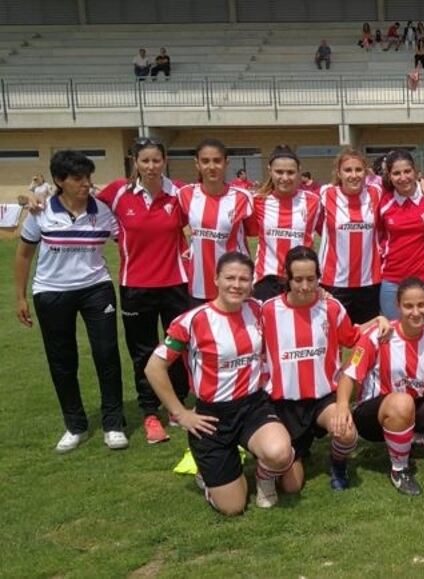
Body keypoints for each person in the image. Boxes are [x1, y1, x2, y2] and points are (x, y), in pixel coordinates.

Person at [145, 252, 294, 516]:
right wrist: (181, 414)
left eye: (244, 279)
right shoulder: (192, 321)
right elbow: (154, 367)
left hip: (253, 406)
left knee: (281, 453)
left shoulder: (259, 310)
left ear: (252, 283)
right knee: (233, 507)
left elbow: (295, 302)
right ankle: (210, 474)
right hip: (212, 416)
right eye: (230, 278)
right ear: (216, 279)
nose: (236, 285)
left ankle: (263, 476)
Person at [14, 150, 127, 453]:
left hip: (96, 288)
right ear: (59, 181)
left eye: (88, 177)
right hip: (51, 292)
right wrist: (21, 297)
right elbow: (24, 254)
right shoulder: (42, 213)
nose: (86, 184)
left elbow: (130, 241)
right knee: (62, 360)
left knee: (106, 353)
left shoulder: (103, 211)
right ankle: (75, 425)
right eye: (78, 178)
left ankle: (114, 424)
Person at [262, 247, 382, 496]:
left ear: (319, 277)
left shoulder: (331, 308)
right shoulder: (267, 311)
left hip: (322, 399)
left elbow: (352, 337)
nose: (305, 286)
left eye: (311, 279)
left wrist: (380, 320)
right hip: (284, 403)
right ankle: (292, 453)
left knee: (347, 433)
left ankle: (338, 466)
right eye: (298, 279)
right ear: (287, 277)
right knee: (291, 487)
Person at [95, 138, 190, 444]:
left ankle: (176, 407)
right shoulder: (117, 192)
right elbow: (81, 199)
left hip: (176, 283)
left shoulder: (179, 193)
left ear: (165, 161)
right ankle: (150, 412)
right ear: (134, 160)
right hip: (135, 286)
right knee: (143, 352)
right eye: (145, 161)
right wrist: (35, 202)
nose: (151, 167)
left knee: (178, 349)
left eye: (156, 161)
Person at [336, 278, 424, 496]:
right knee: (402, 401)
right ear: (398, 306)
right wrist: (342, 406)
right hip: (372, 414)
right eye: (409, 306)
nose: (416, 312)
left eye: (421, 305)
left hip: (412, 405)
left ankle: (421, 439)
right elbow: (349, 374)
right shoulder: (379, 336)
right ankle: (400, 469)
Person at [179, 139, 252, 305]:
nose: (211, 166)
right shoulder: (185, 194)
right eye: (205, 161)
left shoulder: (243, 198)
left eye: (217, 160)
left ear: (226, 162)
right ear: (197, 164)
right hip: (199, 284)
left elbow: (253, 230)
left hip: (235, 283)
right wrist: (188, 248)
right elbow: (173, 227)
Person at [245, 146, 321, 301]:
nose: (285, 177)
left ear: (299, 171)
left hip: (300, 280)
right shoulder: (258, 201)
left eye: (291, 172)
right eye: (279, 172)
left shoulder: (313, 201)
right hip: (266, 280)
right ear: (270, 171)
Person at [319, 149, 383, 324]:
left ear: (366, 171)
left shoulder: (376, 193)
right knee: (332, 339)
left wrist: (423, 186)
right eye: (348, 170)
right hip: (334, 282)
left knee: (367, 341)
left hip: (369, 282)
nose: (354, 175)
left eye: (358, 170)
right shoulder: (326, 194)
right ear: (339, 173)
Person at [378, 150, 424, 320]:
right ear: (389, 176)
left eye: (407, 171)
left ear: (415, 171)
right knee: (393, 335)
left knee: (423, 333)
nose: (403, 178)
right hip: (391, 279)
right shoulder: (383, 202)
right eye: (396, 173)